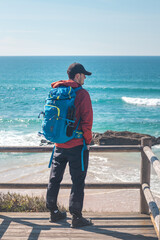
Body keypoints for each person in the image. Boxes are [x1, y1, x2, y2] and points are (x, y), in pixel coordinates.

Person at [46, 62, 93, 228]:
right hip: (77, 145)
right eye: (84, 75)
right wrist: (88, 142)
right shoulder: (82, 94)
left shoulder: (57, 91)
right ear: (77, 76)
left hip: (58, 144)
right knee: (78, 181)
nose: (85, 78)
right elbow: (87, 122)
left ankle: (53, 212)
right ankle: (76, 217)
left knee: (54, 179)